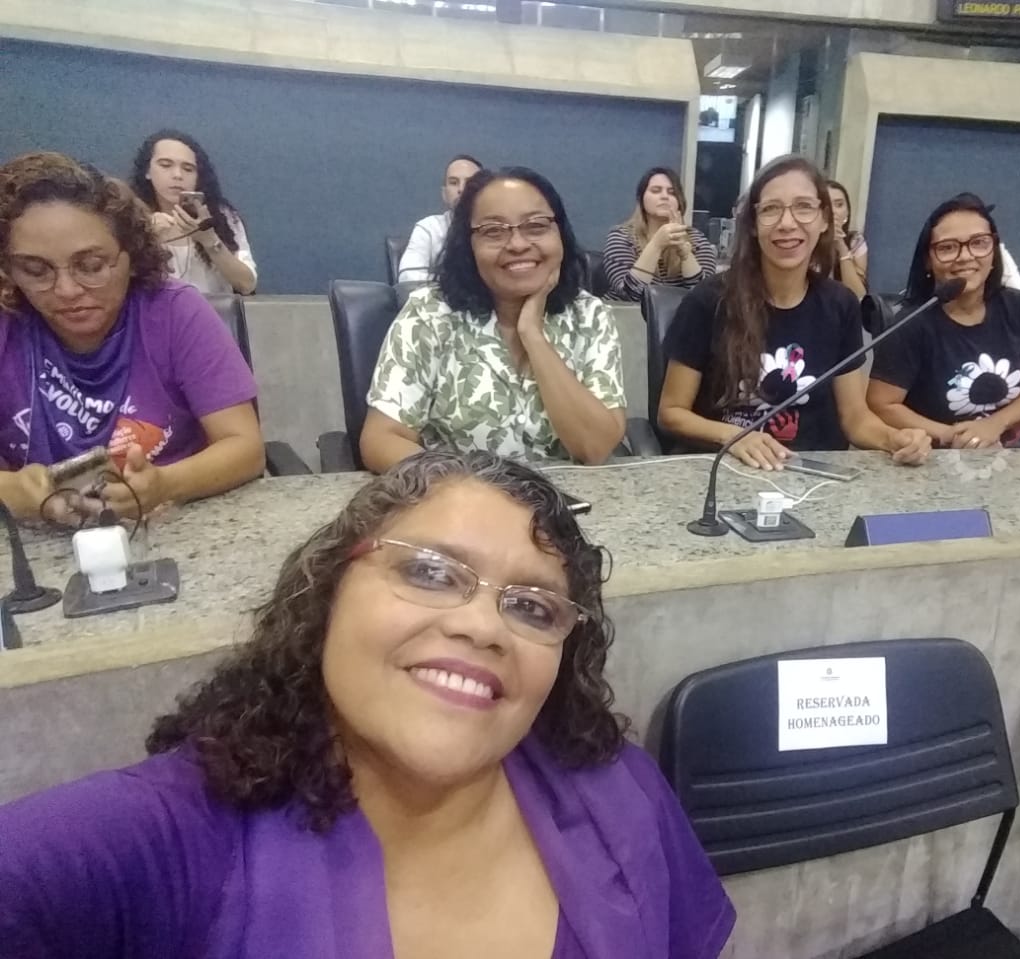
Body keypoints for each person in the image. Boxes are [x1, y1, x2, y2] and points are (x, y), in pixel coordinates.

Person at [0, 450, 737, 958]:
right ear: (328, 590)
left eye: (532, 607)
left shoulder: (619, 796)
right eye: (430, 572)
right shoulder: (174, 839)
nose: (483, 626)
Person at [0, 152, 264, 522]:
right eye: (35, 270)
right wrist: (12, 490)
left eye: (92, 266)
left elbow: (245, 448)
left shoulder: (175, 312)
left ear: (132, 256)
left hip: (170, 524)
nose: (66, 290)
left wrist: (164, 484)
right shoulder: (8, 324)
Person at [657, 154, 931, 470]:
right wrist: (734, 437)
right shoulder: (708, 301)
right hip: (728, 469)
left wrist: (894, 438)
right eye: (771, 209)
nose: (787, 224)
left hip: (811, 472)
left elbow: (855, 419)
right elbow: (671, 412)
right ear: (753, 225)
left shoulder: (840, 304)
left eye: (803, 207)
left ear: (825, 220)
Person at [362, 167, 626, 468]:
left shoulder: (589, 315)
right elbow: (381, 439)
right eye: (493, 231)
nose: (517, 244)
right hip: (455, 492)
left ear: (560, 234)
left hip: (568, 496)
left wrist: (532, 334)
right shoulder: (429, 313)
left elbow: (595, 449)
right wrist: (461, 485)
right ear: (468, 245)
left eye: (536, 226)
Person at [866, 193, 1020, 449]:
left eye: (978, 243)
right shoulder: (911, 323)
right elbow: (882, 404)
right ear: (928, 260)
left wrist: (995, 424)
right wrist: (955, 436)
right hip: (941, 451)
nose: (965, 256)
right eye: (947, 248)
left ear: (994, 251)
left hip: (1019, 446)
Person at [130, 129, 258, 296]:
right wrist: (144, 238)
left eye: (188, 169)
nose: (177, 175)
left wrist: (209, 240)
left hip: (212, 311)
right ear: (147, 171)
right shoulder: (130, 216)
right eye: (166, 165)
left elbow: (247, 285)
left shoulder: (222, 217)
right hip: (154, 311)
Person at [602, 167, 716, 301]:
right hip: (626, 312)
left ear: (679, 201)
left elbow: (703, 298)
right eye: (656, 191)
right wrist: (656, 245)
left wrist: (685, 254)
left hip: (676, 313)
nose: (664, 196)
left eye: (672, 192)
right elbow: (630, 295)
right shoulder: (621, 237)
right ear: (641, 199)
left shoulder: (697, 241)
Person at [399, 154, 483, 282]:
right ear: (444, 193)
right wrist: (455, 286)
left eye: (470, 182)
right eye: (453, 183)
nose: (461, 189)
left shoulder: (498, 229)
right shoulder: (429, 228)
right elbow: (408, 277)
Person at [826, 180, 868, 298]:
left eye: (839, 205)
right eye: (827, 204)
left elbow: (859, 295)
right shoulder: (805, 241)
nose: (833, 211)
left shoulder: (855, 241)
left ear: (847, 212)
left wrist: (841, 246)